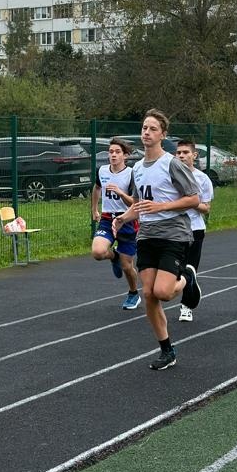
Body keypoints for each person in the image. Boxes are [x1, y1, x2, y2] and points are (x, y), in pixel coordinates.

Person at [112, 109, 201, 370]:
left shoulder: (172, 163)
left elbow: (194, 199)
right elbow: (140, 204)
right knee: (149, 294)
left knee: (163, 292)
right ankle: (167, 350)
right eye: (144, 128)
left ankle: (187, 278)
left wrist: (162, 207)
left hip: (173, 234)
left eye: (152, 129)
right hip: (147, 235)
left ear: (163, 134)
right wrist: (123, 218)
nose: (146, 132)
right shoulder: (137, 168)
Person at [91, 138, 140, 310]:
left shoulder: (132, 174)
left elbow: (134, 203)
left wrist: (120, 193)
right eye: (111, 151)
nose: (113, 155)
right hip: (107, 219)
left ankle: (133, 293)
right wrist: (94, 209)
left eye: (117, 152)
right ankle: (114, 257)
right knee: (98, 252)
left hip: (127, 220)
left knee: (127, 267)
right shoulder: (102, 170)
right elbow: (97, 188)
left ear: (125, 155)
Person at [174, 139, 214, 323]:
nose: (181, 156)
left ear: (194, 155)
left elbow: (206, 208)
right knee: (176, 269)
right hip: (173, 229)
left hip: (195, 229)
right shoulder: (169, 176)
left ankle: (186, 306)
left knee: (190, 269)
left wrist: (191, 202)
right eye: (178, 153)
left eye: (185, 152)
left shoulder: (202, 179)